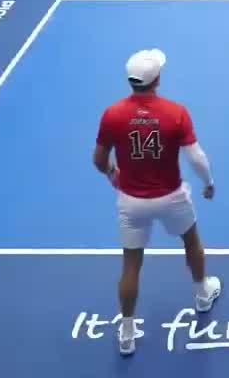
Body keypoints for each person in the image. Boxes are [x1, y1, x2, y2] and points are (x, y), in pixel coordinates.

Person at [93, 49, 221, 356]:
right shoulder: (176, 113)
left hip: (131, 201)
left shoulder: (112, 114)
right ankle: (203, 293)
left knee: (131, 264)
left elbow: (99, 159)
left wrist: (113, 174)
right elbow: (196, 158)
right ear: (157, 79)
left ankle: (126, 333)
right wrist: (208, 182)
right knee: (191, 241)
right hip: (171, 198)